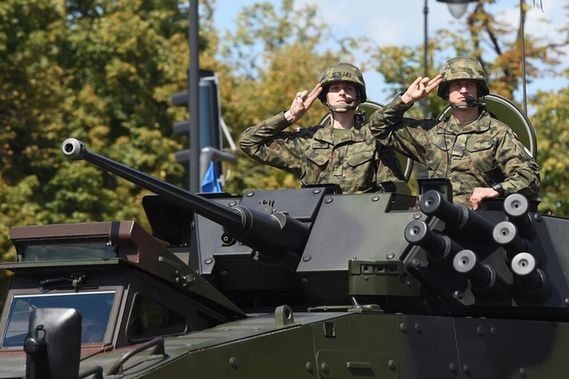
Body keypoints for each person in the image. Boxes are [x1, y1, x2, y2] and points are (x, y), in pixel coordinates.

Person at [369, 56, 540, 209]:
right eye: (457, 85)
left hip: (482, 224)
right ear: (447, 92)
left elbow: (529, 178)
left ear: (478, 90)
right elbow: (377, 127)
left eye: (469, 84)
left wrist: (496, 190)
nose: (464, 90)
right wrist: (406, 100)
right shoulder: (431, 134)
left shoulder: (497, 133)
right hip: (436, 223)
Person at [239, 63, 406, 193]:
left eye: (348, 88)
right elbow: (249, 143)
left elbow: (394, 192)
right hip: (315, 226)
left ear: (358, 96)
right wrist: (289, 116)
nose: (341, 93)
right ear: (325, 97)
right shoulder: (308, 141)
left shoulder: (375, 140)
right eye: (335, 88)